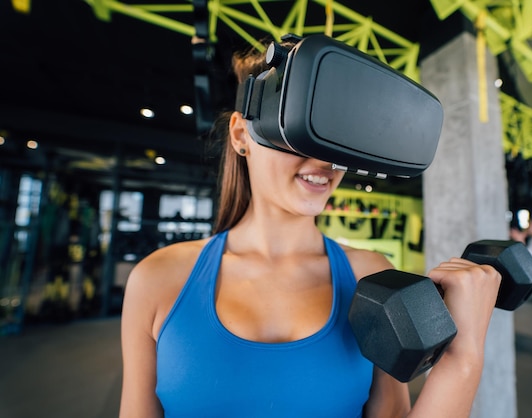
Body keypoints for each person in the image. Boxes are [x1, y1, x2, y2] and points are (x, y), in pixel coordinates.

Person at [119, 39, 502, 418]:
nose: (323, 161)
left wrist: (463, 359)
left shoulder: (371, 275)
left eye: (335, 137)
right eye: (299, 130)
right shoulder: (158, 279)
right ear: (241, 136)